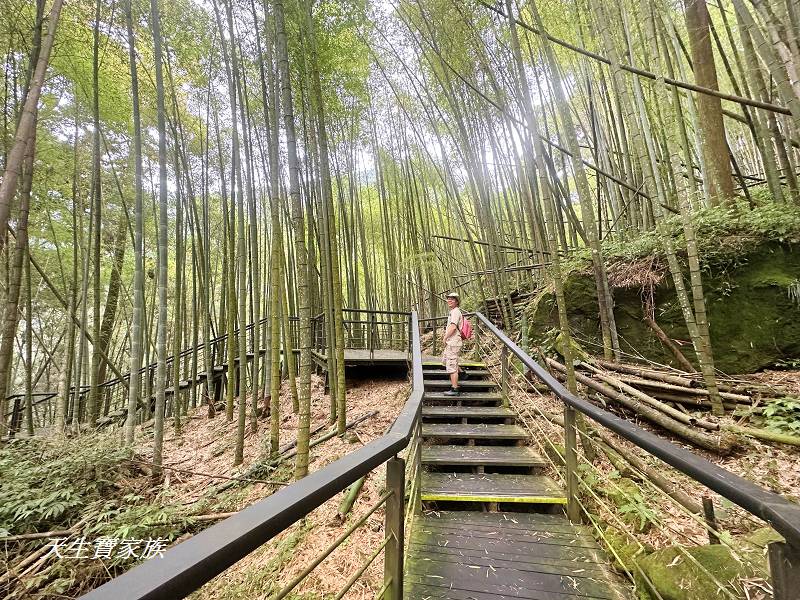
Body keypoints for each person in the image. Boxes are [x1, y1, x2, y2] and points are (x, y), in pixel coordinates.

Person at [442, 292, 464, 396]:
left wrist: (445, 337)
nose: (449, 301)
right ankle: (462, 374)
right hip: (452, 341)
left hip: (453, 341)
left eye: (452, 299)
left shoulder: (455, 312)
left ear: (457, 301)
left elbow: (453, 326)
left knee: (451, 364)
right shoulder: (454, 311)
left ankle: (455, 389)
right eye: (448, 299)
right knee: (447, 359)